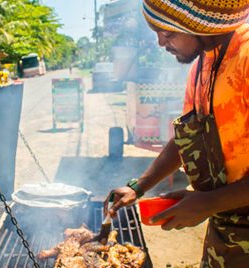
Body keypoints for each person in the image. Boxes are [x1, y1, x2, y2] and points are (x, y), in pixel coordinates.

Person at [104, 0, 249, 267]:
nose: (160, 43)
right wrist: (139, 186)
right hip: (225, 233)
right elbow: (187, 138)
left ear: (200, 25)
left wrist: (208, 202)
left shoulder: (245, 58)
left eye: (168, 33)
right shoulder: (202, 66)